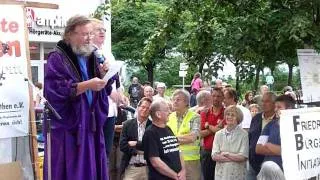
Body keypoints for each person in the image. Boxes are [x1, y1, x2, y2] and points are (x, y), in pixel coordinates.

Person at [44, 15, 111, 180]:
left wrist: (105, 75)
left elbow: (105, 90)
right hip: (70, 127)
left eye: (90, 34)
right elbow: (54, 90)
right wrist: (87, 85)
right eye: (84, 34)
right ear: (69, 35)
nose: (89, 39)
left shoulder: (93, 56)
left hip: (91, 124)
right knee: (72, 171)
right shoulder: (57, 58)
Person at [91, 18, 121, 159]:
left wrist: (121, 94)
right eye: (99, 29)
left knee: (106, 152)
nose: (102, 32)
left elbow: (116, 78)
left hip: (111, 109)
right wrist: (110, 92)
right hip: (98, 109)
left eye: (104, 30)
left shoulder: (108, 53)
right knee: (98, 152)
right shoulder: (88, 54)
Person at [142, 100, 186, 180]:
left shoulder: (168, 128)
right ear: (158, 114)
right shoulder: (150, 133)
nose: (170, 112)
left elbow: (178, 151)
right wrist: (176, 176)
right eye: (166, 110)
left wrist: (183, 170)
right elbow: (155, 162)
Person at [256, 95, 296, 172]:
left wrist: (269, 145)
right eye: (275, 107)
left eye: (279, 107)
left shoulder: (296, 127)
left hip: (288, 171)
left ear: (289, 109)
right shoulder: (270, 125)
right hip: (269, 171)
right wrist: (282, 150)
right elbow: (258, 148)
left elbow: (293, 151)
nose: (275, 109)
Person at [167, 89, 201, 180]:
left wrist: (170, 140)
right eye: (173, 99)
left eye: (178, 99)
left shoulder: (195, 117)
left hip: (190, 161)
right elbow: (162, 138)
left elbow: (193, 137)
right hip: (172, 160)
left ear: (186, 102)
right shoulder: (169, 117)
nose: (174, 102)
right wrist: (184, 137)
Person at [211, 105, 249, 180]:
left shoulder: (244, 134)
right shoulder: (218, 134)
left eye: (233, 115)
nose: (229, 117)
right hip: (221, 175)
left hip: (237, 174)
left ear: (238, 118)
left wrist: (226, 154)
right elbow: (214, 156)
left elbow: (243, 156)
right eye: (228, 114)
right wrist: (234, 157)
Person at [120, 97, 152, 180]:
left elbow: (153, 147)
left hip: (149, 169)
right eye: (143, 107)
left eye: (148, 108)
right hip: (131, 168)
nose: (145, 110)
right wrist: (140, 151)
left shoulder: (153, 127)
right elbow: (123, 146)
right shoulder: (127, 124)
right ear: (138, 107)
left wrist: (135, 144)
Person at [247, 92, 277, 180]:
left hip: (270, 164)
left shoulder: (279, 119)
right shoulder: (256, 118)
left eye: (267, 101)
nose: (263, 104)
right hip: (253, 163)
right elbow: (250, 137)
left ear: (274, 103)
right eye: (262, 101)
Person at [199, 87, 225, 180]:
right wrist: (216, 128)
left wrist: (208, 126)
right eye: (213, 96)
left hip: (223, 152)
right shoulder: (204, 113)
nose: (216, 98)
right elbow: (200, 134)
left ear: (223, 98)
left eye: (218, 96)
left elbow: (225, 132)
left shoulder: (227, 113)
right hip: (207, 151)